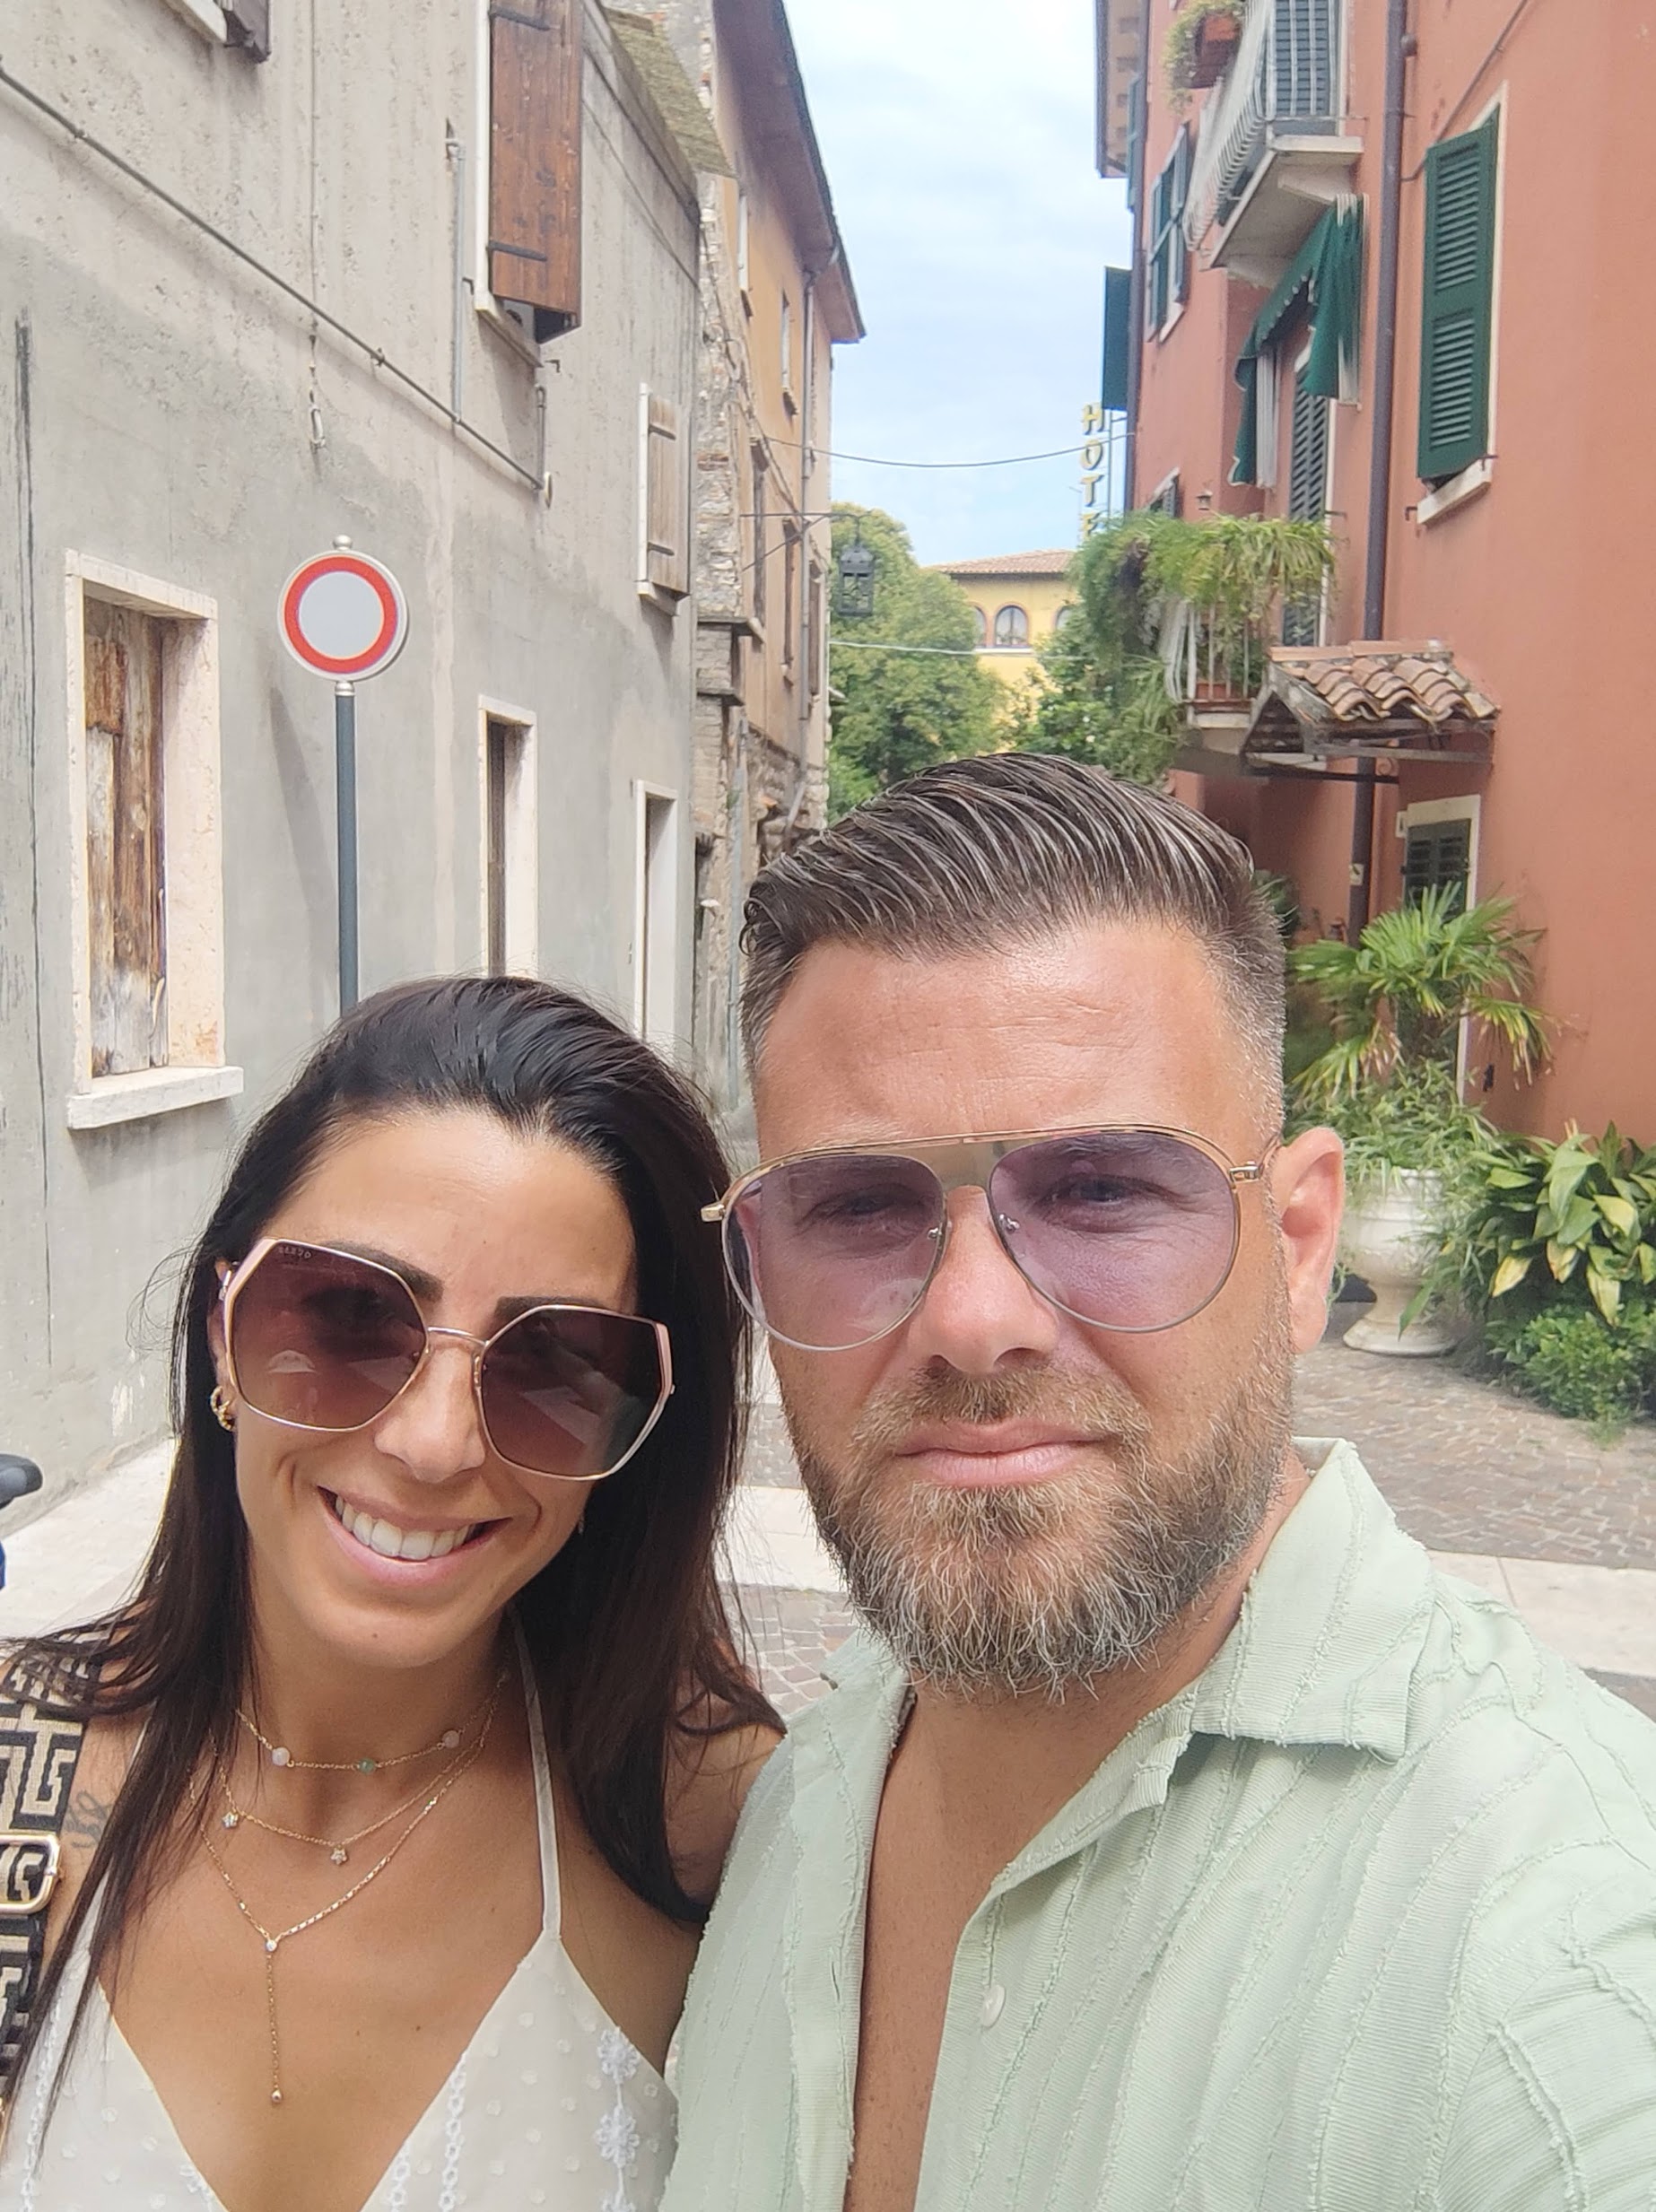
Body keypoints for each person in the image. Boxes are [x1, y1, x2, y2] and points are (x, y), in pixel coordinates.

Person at [664, 753, 1656, 2211]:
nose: (971, 1318)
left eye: (1101, 1189)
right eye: (859, 1205)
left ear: (1300, 1245)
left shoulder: (1557, 1948)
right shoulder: (799, 1797)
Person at [0, 977, 776, 2212]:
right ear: (222, 1330)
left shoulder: (705, 1813)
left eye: (555, 1362)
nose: (431, 1443)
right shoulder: (19, 1780)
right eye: (351, 1317)